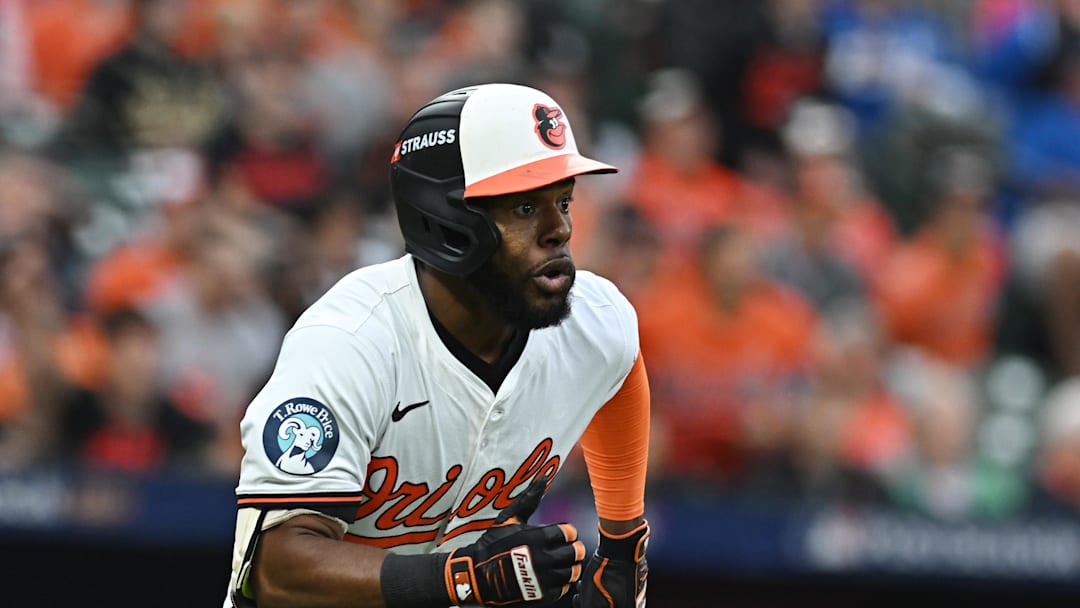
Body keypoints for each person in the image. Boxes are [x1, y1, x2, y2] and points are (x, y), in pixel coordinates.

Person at [224, 83, 651, 608]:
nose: (559, 228)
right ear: (446, 219)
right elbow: (275, 570)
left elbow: (621, 365)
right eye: (524, 207)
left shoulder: (595, 319)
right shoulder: (351, 342)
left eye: (562, 200)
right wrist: (459, 579)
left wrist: (623, 539)